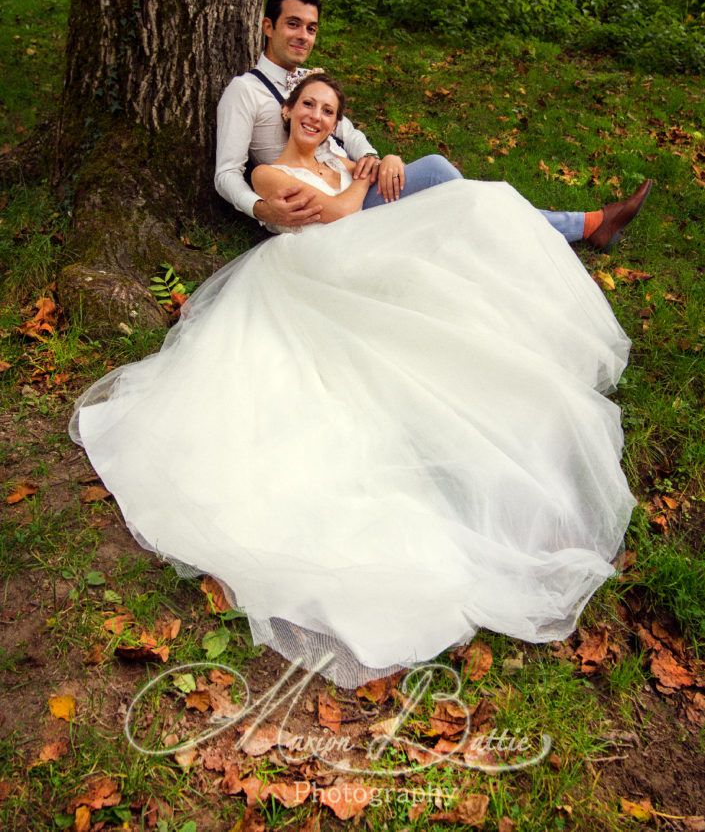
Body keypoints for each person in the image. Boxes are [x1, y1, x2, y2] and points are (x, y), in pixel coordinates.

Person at [70, 73, 636, 689]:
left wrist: (378, 164)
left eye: (327, 110)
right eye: (307, 106)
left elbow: (362, 199)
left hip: (357, 254)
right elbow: (340, 215)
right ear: (286, 113)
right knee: (450, 215)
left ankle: (550, 252)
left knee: (472, 212)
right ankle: (579, 226)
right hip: (316, 267)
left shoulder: (343, 160)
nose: (315, 116)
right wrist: (366, 180)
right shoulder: (269, 174)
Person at [216, 0, 652, 247]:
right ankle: (580, 225)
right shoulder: (246, 91)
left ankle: (565, 227)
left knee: (454, 194)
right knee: (444, 178)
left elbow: (347, 133)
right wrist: (260, 206)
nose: (303, 36)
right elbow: (227, 172)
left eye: (311, 28)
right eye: (293, 24)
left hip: (348, 174)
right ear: (268, 26)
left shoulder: (313, 81)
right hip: (319, 199)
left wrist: (377, 157)